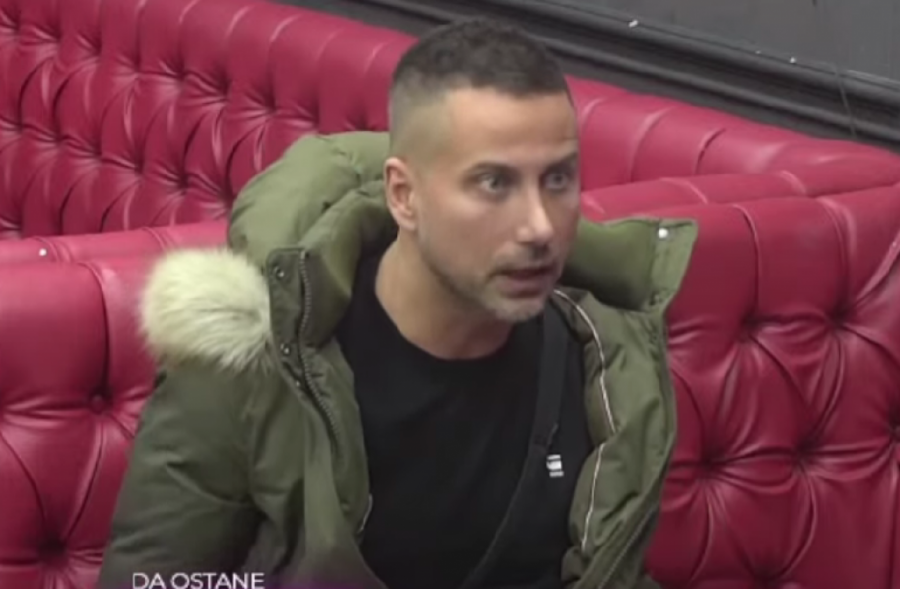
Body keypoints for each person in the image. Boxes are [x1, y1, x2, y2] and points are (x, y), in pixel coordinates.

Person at [98, 17, 696, 589]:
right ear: (403, 196)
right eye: (495, 183)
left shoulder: (607, 355)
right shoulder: (257, 363)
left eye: (558, 180)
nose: (540, 227)